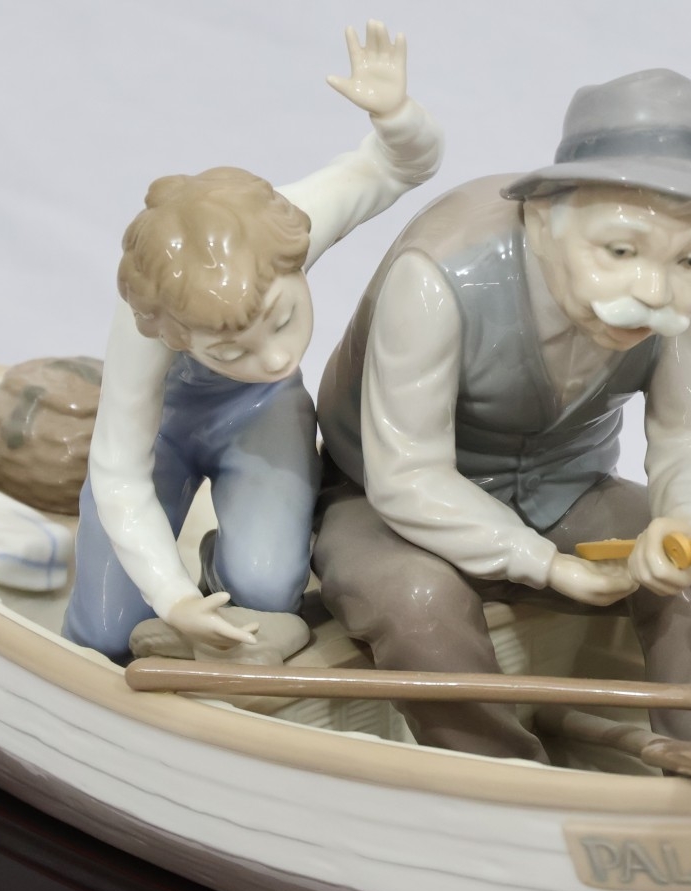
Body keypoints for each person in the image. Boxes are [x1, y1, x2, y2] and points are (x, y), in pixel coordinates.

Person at [314, 68, 691, 761]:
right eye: (619, 251)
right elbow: (407, 475)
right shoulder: (439, 277)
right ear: (542, 219)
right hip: (383, 504)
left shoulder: (669, 292)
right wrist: (543, 565)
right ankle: (502, 779)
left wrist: (689, 521)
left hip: (568, 494)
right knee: (417, 599)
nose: (655, 289)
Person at [63, 21, 442, 662]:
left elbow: (401, 165)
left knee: (265, 589)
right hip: (165, 429)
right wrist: (172, 598)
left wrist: (396, 117)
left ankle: (225, 569)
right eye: (230, 352)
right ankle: (164, 609)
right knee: (103, 633)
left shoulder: (287, 227)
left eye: (283, 319)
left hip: (260, 414)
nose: (275, 357)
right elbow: (119, 473)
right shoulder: (144, 325)